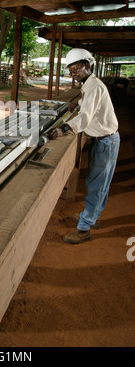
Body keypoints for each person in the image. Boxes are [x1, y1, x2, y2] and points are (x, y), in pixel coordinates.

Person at [48, 48, 120, 244]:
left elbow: (86, 118)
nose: (74, 74)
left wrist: (64, 128)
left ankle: (84, 229)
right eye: (71, 70)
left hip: (106, 141)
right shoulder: (90, 84)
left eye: (77, 69)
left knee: (96, 184)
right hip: (103, 140)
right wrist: (78, 103)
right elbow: (88, 103)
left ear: (88, 66)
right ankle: (92, 216)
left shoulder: (95, 86)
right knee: (98, 183)